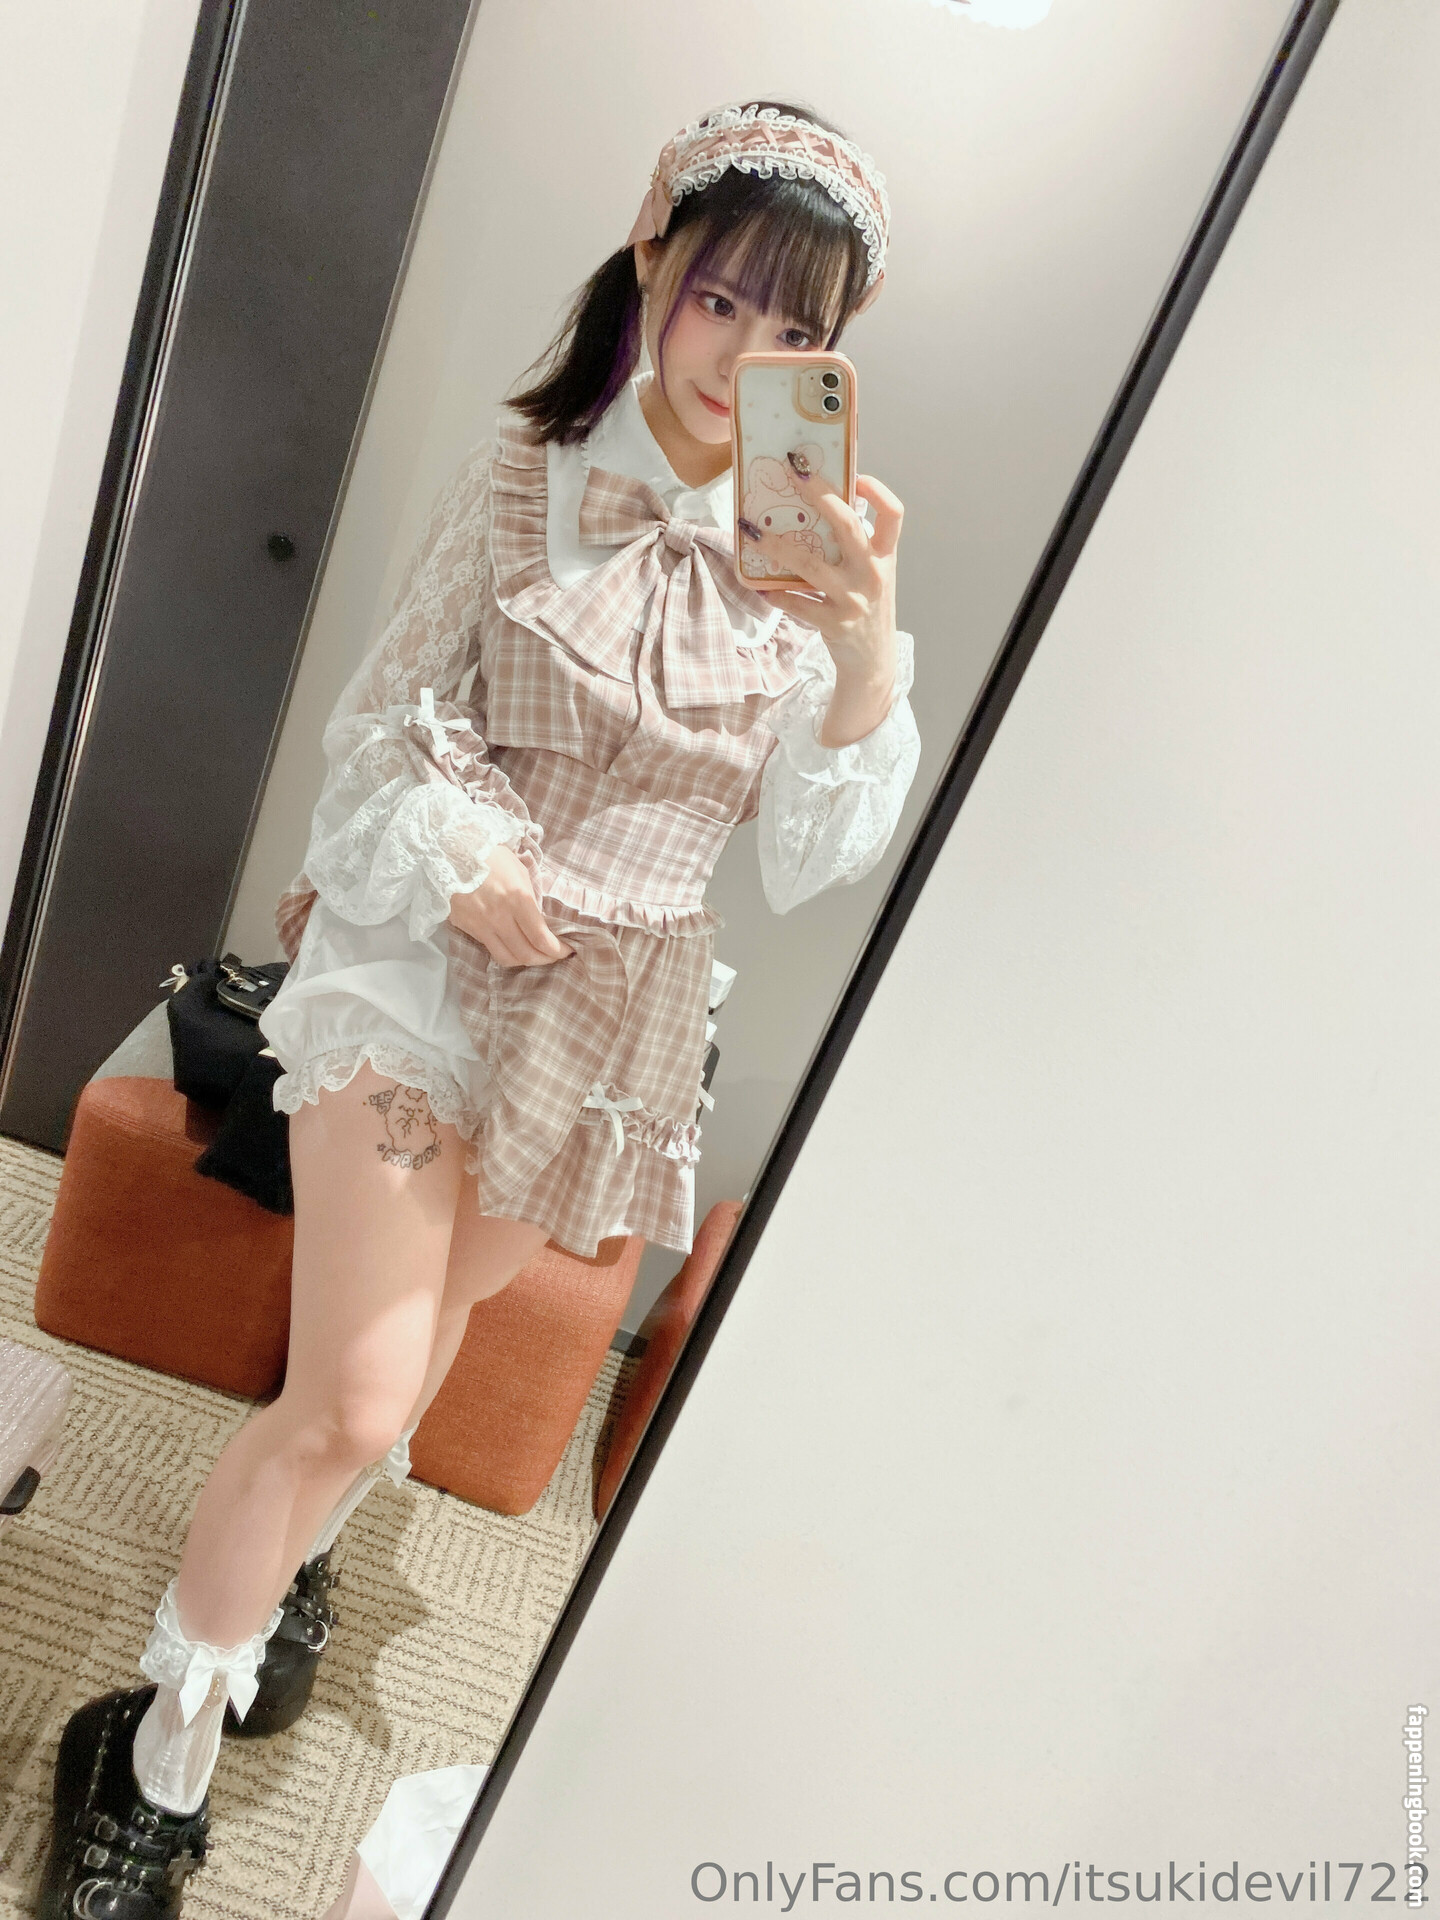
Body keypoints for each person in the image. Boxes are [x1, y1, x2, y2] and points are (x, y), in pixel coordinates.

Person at [39, 98, 921, 1916]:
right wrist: (461, 855)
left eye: (796, 330)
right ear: (653, 262)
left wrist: (862, 657)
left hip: (610, 1028)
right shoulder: (530, 476)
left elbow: (813, 860)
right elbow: (377, 730)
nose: (741, 356)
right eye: (722, 298)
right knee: (355, 1394)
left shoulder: (805, 576)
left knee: (434, 1335)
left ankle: (291, 1572)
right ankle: (147, 1761)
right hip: (424, 976)